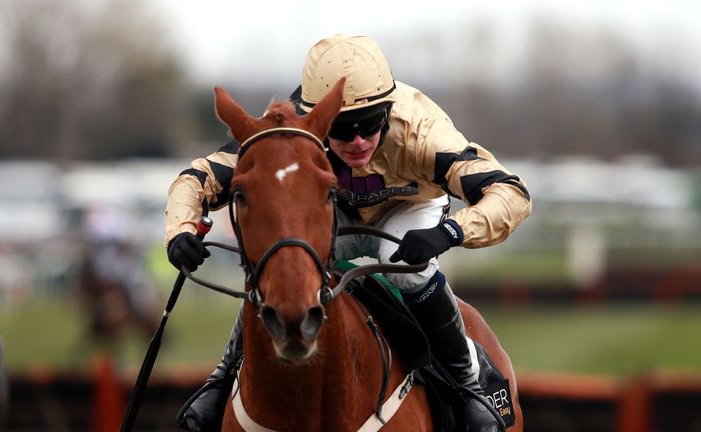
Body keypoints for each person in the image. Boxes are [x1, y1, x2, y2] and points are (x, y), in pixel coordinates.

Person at [166, 33, 532, 432]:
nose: (358, 141)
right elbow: (196, 178)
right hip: (335, 211)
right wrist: (181, 229)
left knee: (408, 268)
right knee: (285, 267)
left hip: (409, 209)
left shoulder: (423, 131)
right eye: (342, 128)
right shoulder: (296, 132)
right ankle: (222, 379)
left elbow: (510, 193)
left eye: (371, 125)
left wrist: (450, 231)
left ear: (388, 111)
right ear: (319, 118)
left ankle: (467, 385)